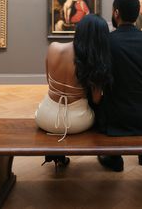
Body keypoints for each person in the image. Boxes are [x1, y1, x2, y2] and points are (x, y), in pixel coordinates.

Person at [96, 0, 142, 172]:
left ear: (116, 13)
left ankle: (114, 158)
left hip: (116, 117)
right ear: (137, 15)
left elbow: (100, 80)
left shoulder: (106, 41)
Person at [35, 14, 112, 167]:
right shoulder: (93, 61)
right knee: (102, 112)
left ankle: (58, 156)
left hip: (44, 117)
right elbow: (96, 99)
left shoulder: (53, 47)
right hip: (76, 123)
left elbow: (49, 82)